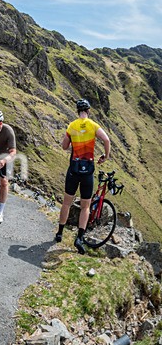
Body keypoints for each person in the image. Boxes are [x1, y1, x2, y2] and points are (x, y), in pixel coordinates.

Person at [55, 99, 111, 253]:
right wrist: (105, 156)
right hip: (88, 171)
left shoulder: (72, 126)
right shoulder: (93, 125)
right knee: (85, 206)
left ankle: (60, 233)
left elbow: (64, 146)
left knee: (67, 203)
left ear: (77, 110)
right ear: (89, 110)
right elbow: (106, 139)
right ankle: (79, 238)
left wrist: (73, 140)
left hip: (73, 170)